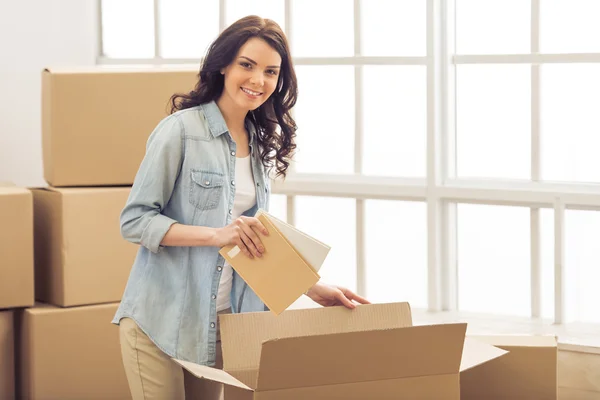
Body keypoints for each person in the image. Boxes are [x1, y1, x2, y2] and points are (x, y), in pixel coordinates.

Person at [112, 15, 370, 400]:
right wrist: (217, 234)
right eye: (246, 65)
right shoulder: (180, 131)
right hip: (158, 321)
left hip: (218, 326)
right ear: (223, 66)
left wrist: (312, 288)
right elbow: (134, 221)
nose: (258, 81)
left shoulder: (258, 146)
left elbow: (253, 244)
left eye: (270, 71)